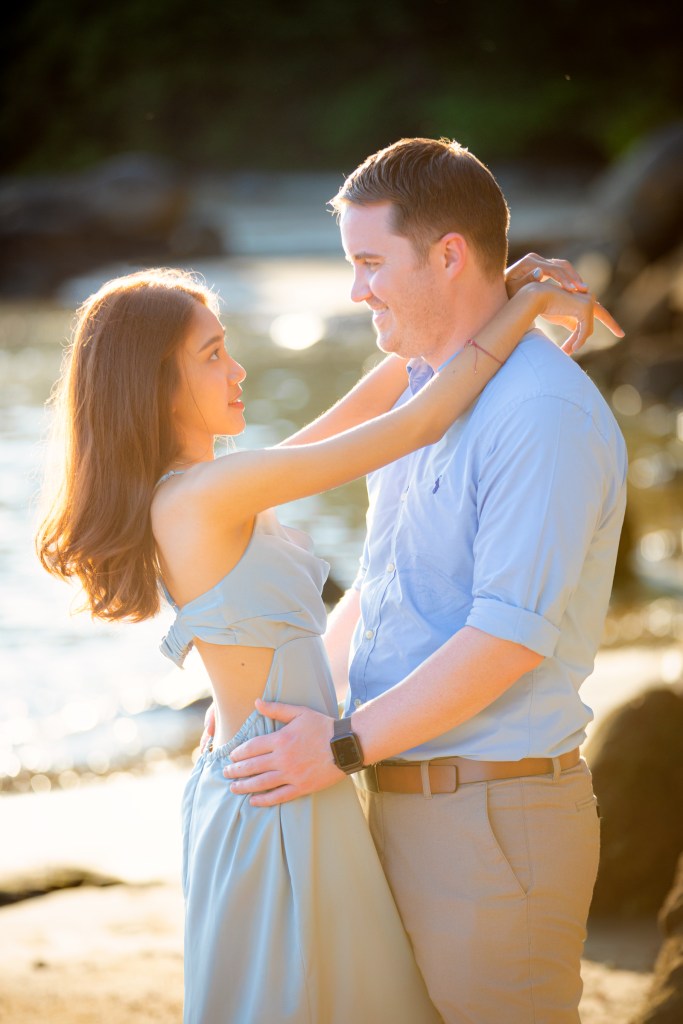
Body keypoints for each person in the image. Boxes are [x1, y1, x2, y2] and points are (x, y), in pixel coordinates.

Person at [34, 254, 614, 1023]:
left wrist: (485, 291)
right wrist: (528, 300)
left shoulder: (213, 483)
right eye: (211, 355)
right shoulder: (205, 496)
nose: (237, 369)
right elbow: (418, 421)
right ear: (155, 385)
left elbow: (397, 383)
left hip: (287, 772)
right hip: (282, 790)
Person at [209, 138, 630, 1024]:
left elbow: (506, 636)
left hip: (490, 819)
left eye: (369, 264)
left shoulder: (540, 413)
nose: (355, 290)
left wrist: (338, 744)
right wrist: (276, 710)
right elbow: (389, 583)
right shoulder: (424, 388)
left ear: (445, 255)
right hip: (397, 798)